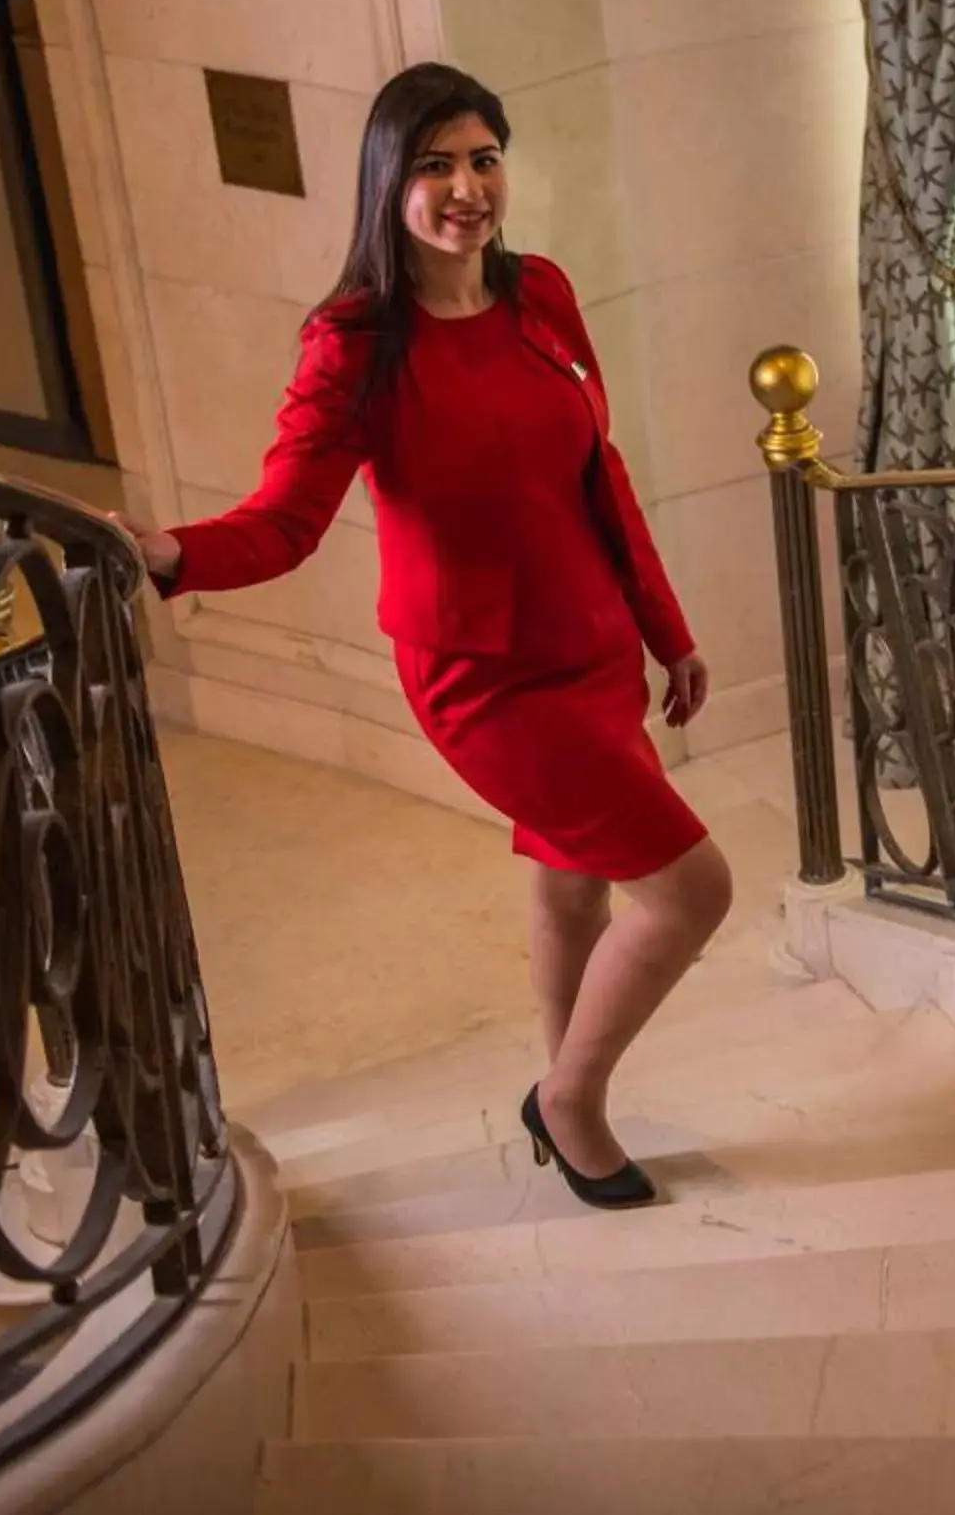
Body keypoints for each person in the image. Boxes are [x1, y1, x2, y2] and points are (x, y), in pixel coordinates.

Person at [121, 61, 729, 1209]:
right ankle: (573, 1100)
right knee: (693, 889)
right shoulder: (354, 341)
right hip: (484, 676)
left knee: (574, 885)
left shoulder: (540, 293)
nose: (467, 188)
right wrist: (173, 553)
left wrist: (667, 628)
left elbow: (600, 476)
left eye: (484, 158)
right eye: (436, 164)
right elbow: (287, 520)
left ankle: (560, 1091)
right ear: (387, 180)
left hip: (590, 642)